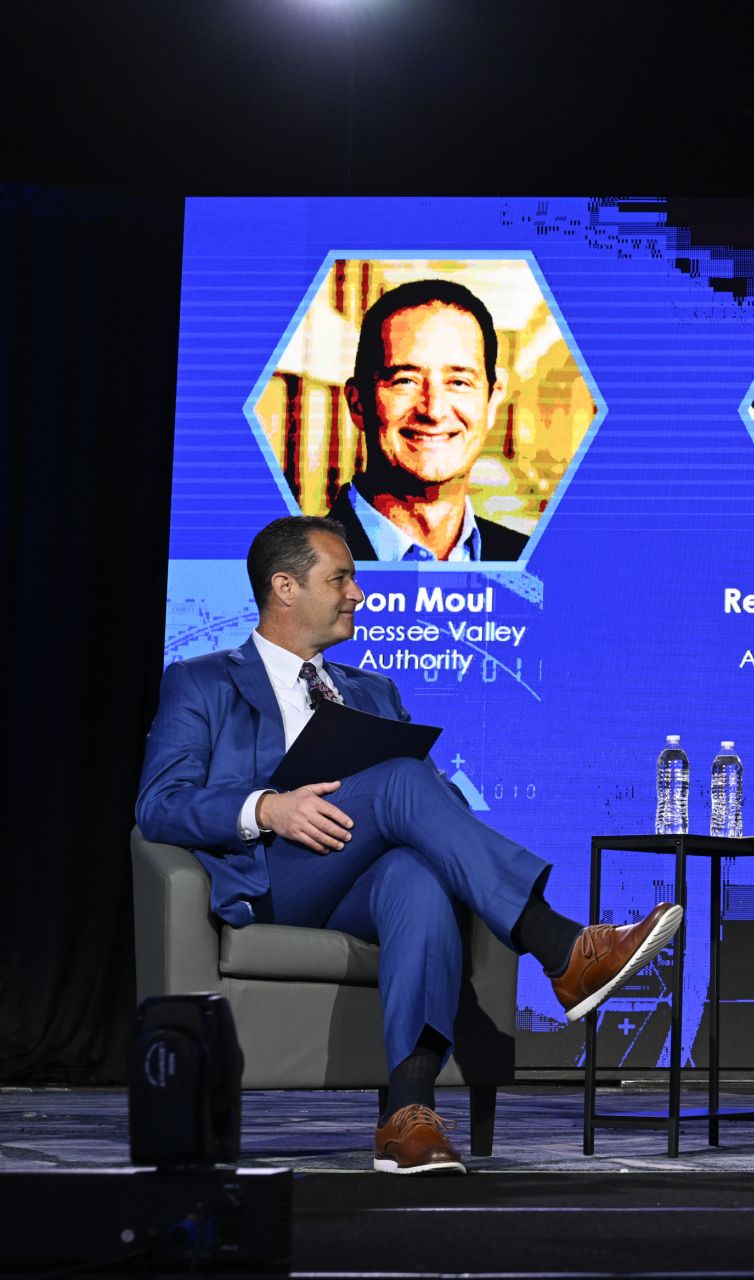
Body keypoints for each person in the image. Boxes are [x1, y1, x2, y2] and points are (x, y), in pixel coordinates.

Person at [136, 516, 681, 1174]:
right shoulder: (202, 682)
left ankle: (407, 1114)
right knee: (398, 779)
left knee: (415, 877)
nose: (357, 594)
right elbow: (159, 804)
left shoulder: (373, 691)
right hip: (272, 880)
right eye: (340, 579)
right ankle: (559, 943)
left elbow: (434, 804)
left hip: (358, 887)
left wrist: (426, 805)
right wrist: (269, 808)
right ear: (284, 587)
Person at [328, 278, 529, 562]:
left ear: (492, 402)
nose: (433, 411)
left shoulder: (531, 563)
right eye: (405, 381)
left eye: (458, 382)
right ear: (358, 403)